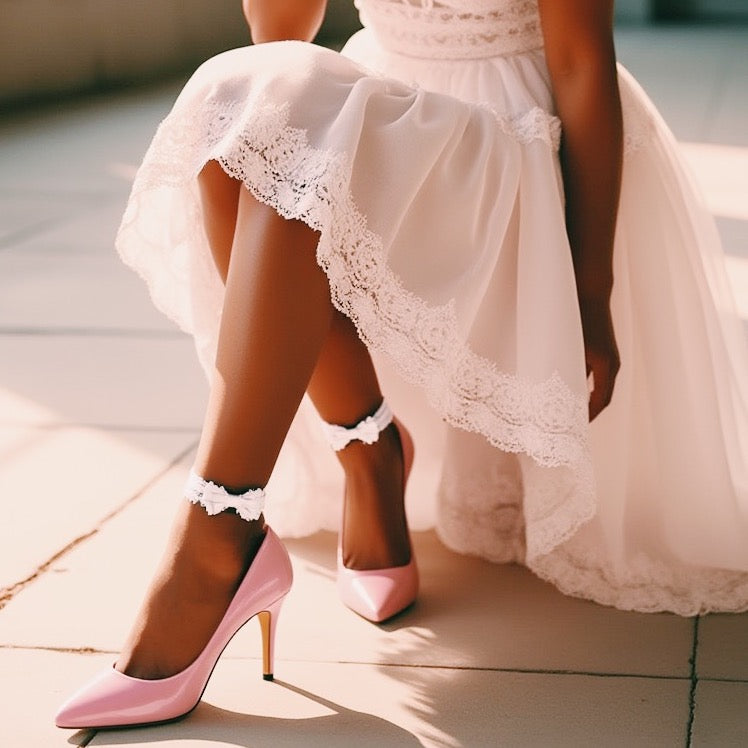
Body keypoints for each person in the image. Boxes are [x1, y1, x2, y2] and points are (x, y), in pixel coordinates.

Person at [56, 0, 748, 730]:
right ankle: (369, 452)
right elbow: (279, 38)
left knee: (290, 125)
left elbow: (578, 61)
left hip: (522, 140)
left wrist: (590, 291)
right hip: (396, 103)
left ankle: (218, 539)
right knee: (245, 106)